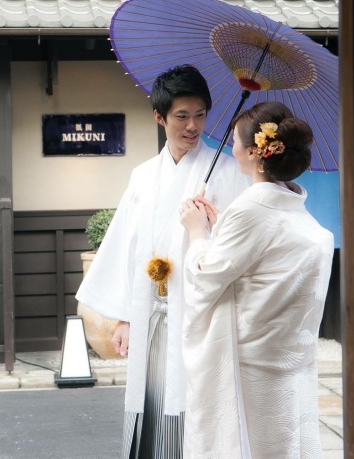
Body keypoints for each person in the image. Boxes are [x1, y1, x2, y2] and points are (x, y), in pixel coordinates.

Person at [75, 64, 250, 458]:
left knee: (195, 399)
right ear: (159, 117)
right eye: (181, 116)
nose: (193, 126)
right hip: (150, 309)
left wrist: (209, 226)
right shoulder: (143, 176)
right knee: (152, 394)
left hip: (200, 313)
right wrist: (124, 317)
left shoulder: (225, 171)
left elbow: (238, 245)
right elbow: (126, 245)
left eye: (200, 115)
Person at [178, 101, 335, 458]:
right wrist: (221, 227)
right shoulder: (296, 209)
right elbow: (263, 256)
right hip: (289, 359)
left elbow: (206, 278)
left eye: (235, 141)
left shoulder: (250, 209)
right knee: (286, 445)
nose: (231, 148)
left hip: (251, 365)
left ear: (254, 152)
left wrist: (197, 232)